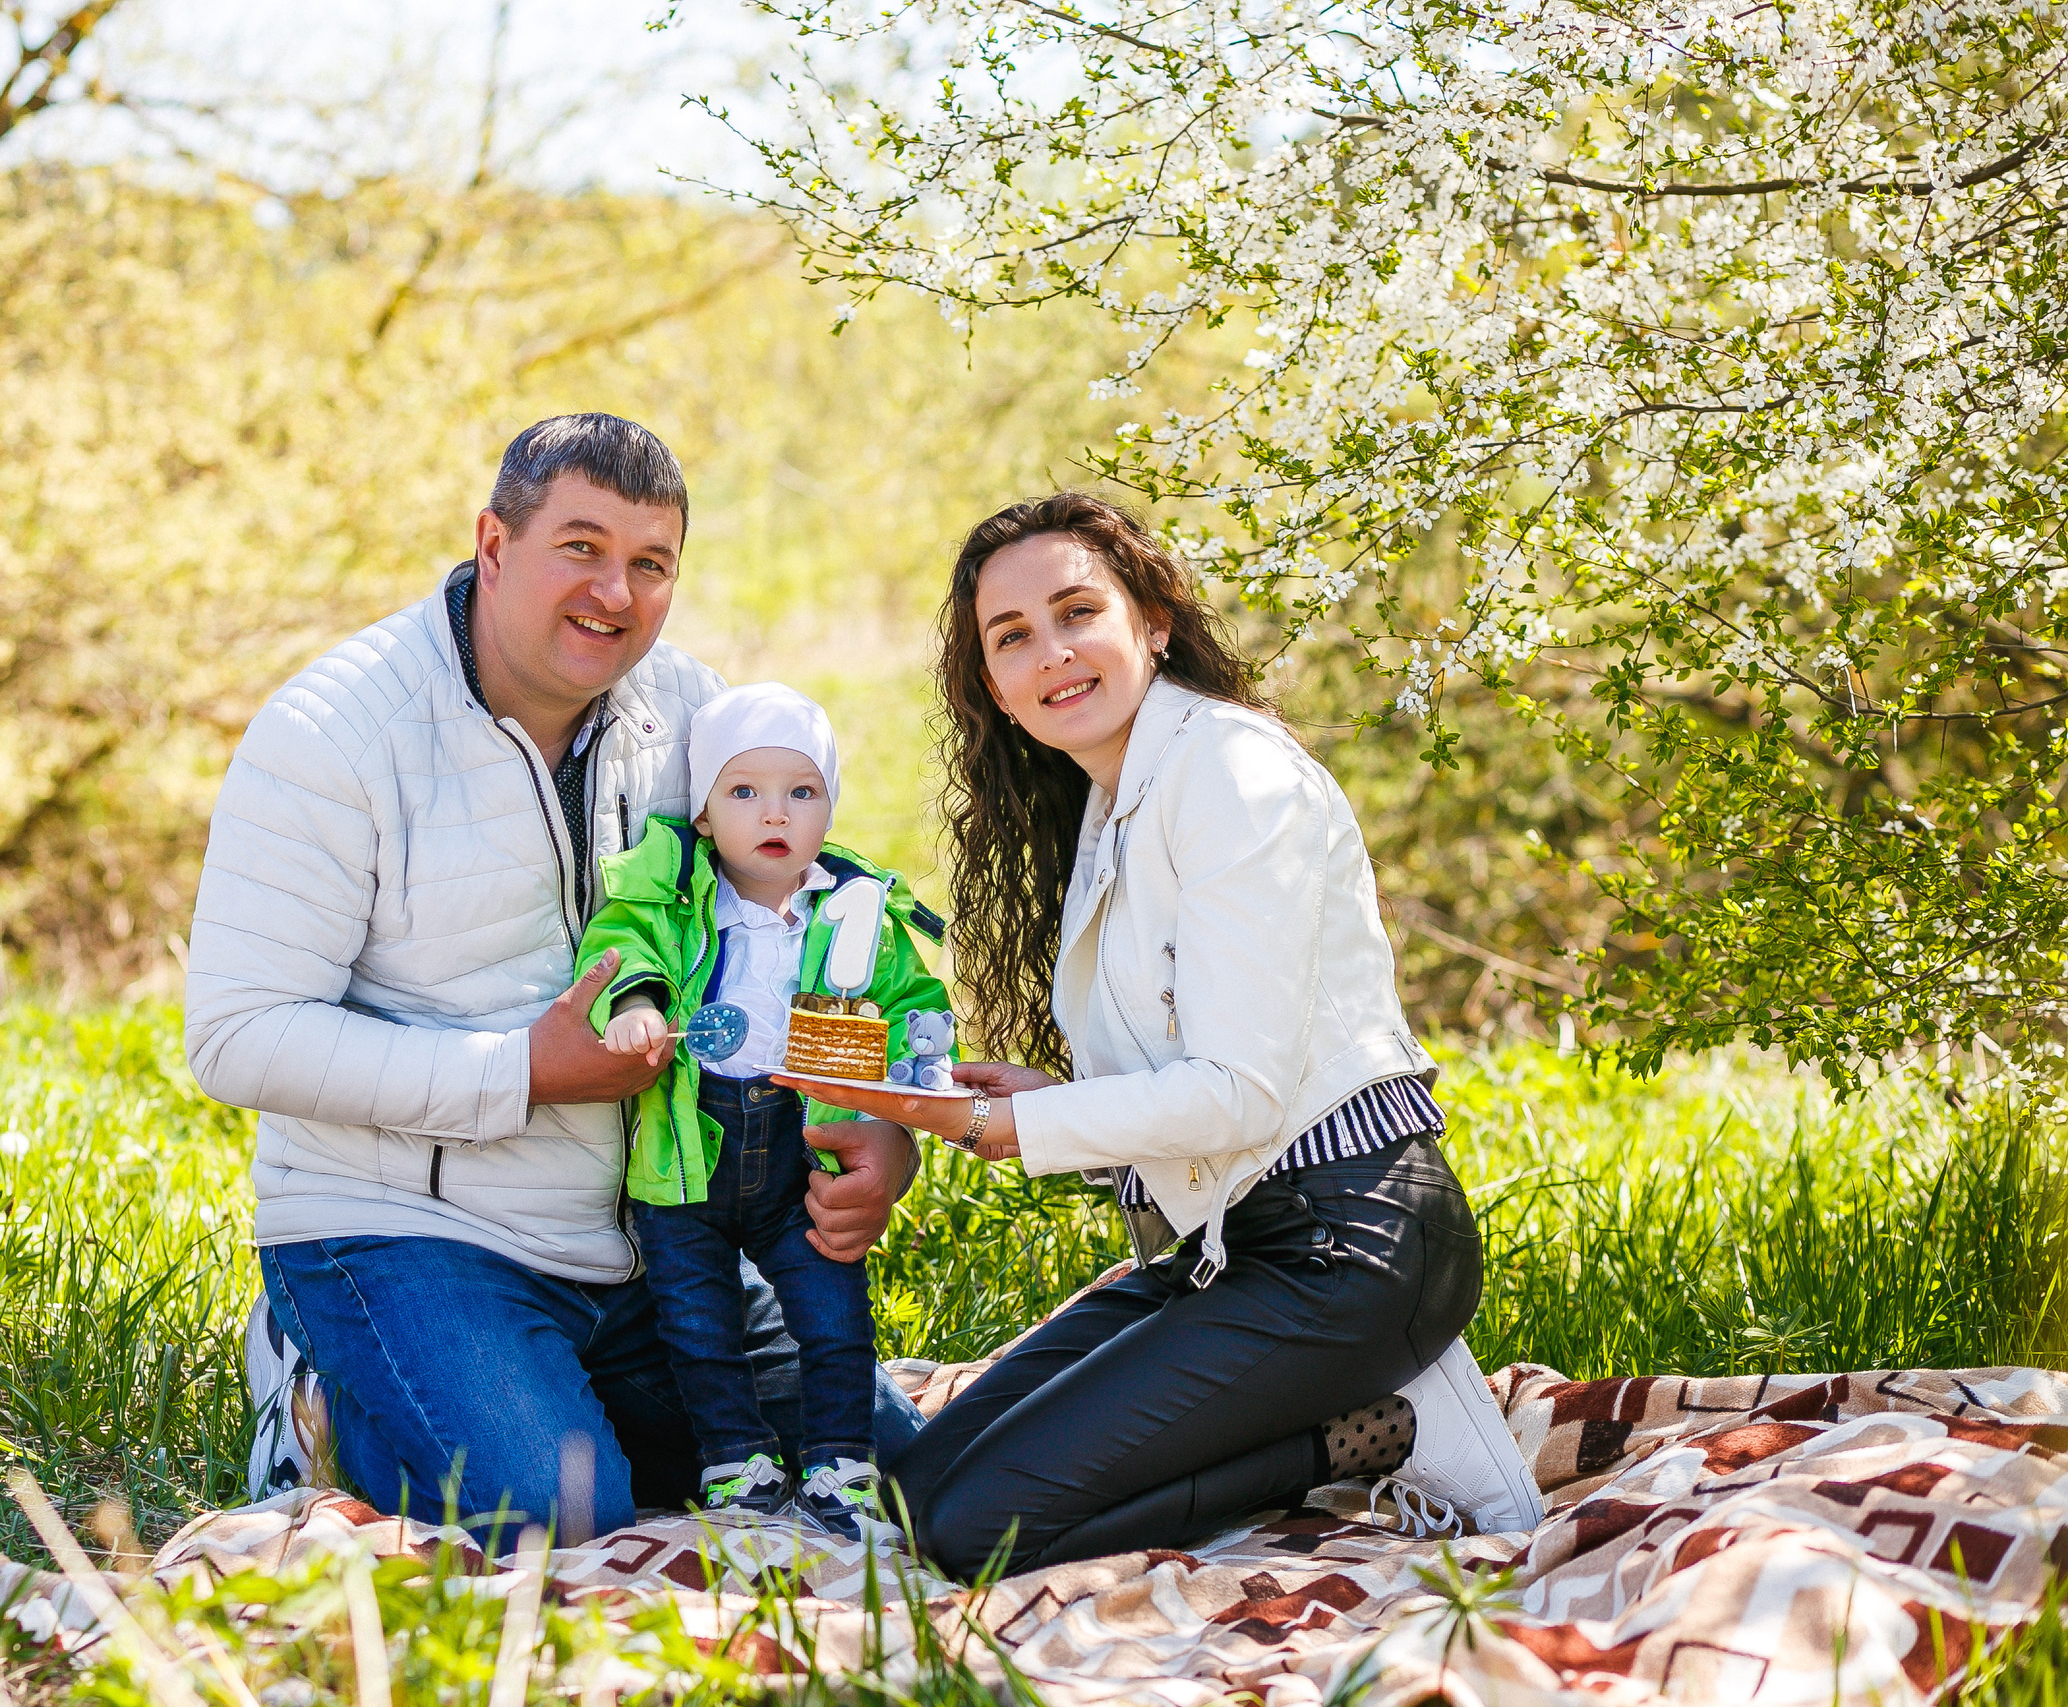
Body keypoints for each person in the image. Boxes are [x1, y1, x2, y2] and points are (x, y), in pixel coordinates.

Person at [775, 493, 1545, 1578]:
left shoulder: (1231, 772)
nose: (1050, 653)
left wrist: (1009, 1127)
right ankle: (1349, 1412)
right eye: (1011, 637)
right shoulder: (1108, 804)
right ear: (990, 684)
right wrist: (1044, 1099)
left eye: (1076, 611)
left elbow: (1239, 1093)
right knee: (917, 1494)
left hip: (1354, 1248)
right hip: (1223, 1247)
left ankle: (1374, 1431)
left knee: (974, 1533)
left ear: (1153, 622)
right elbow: (1189, 1088)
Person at [184, 415, 925, 1540]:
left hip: (659, 1233)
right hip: (404, 1229)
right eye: (579, 547)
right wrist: (522, 1070)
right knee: (554, 1520)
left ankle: (557, 1406)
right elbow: (237, 1036)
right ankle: (319, 1389)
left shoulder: (689, 715)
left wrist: (876, 1124)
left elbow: (796, 932)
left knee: (905, 1485)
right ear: (493, 543)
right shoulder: (335, 730)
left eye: (650, 563)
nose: (614, 592)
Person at [582, 684, 949, 1539]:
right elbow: (621, 941)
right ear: (705, 814)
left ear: (827, 809)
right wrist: (634, 1002)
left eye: (801, 792)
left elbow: (910, 999)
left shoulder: (857, 912)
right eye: (743, 792)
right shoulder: (674, 895)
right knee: (698, 1322)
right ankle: (734, 1457)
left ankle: (838, 1463)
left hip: (800, 1143)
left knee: (832, 1314)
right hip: (687, 1146)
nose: (772, 813)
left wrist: (920, 1076)